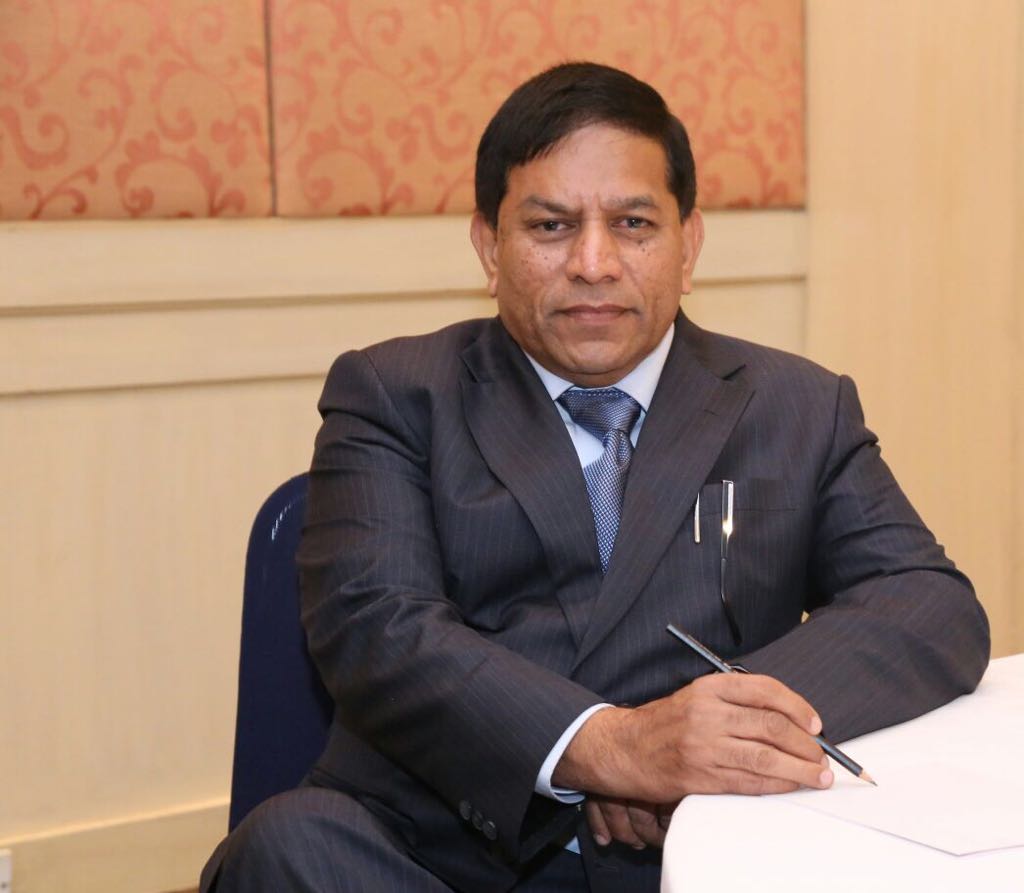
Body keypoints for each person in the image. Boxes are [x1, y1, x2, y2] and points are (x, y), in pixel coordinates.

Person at [201, 61, 989, 893]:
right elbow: (377, 627)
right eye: (550, 226)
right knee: (287, 849)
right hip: (444, 853)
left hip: (697, 852)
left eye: (633, 223)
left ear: (689, 244)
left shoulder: (796, 405)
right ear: (489, 247)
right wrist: (608, 746)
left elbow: (926, 600)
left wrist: (709, 738)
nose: (593, 261)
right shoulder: (396, 394)